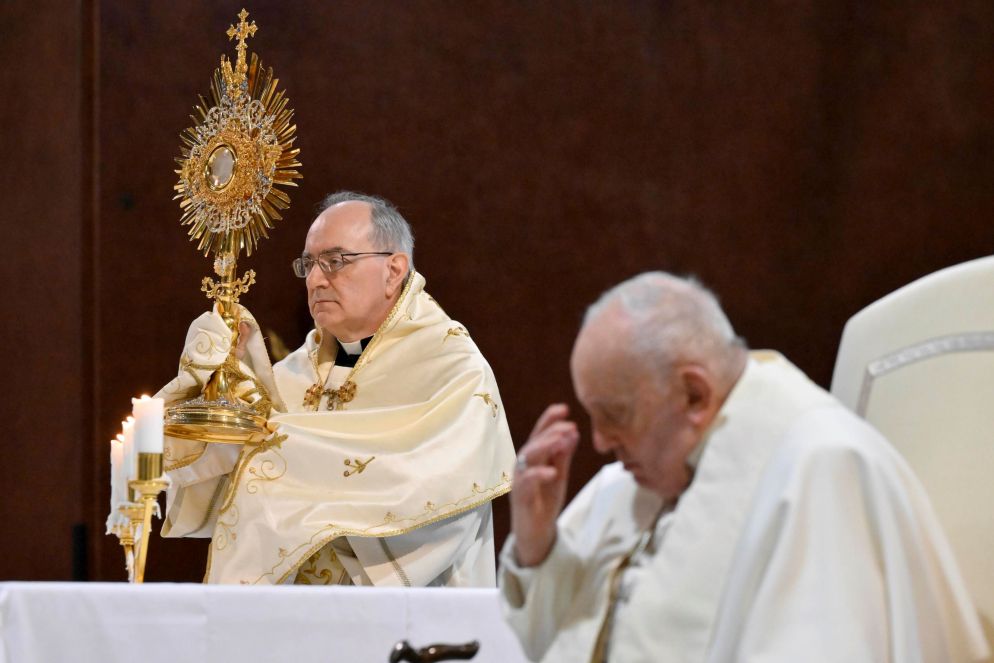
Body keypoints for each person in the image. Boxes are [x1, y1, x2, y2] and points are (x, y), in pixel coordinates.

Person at [500, 272, 989, 662]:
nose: (601, 441)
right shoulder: (627, 487)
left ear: (694, 394)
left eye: (615, 415)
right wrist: (538, 547)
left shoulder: (821, 473)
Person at [158, 191, 516, 586]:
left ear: (394, 270)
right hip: (292, 614)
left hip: (402, 610)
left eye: (335, 261)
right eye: (309, 264)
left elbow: (442, 498)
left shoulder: (452, 368)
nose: (315, 279)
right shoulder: (294, 373)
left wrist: (288, 455)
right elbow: (224, 488)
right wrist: (217, 385)